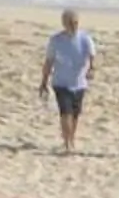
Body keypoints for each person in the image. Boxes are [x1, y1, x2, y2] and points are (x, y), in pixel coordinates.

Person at [38, 8, 96, 157]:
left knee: (75, 115)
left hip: (79, 84)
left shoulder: (85, 39)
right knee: (66, 113)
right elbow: (49, 62)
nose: (73, 25)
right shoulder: (56, 40)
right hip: (61, 83)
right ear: (64, 23)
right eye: (70, 22)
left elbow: (92, 57)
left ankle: (71, 138)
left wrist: (91, 69)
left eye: (75, 22)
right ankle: (67, 143)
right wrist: (44, 82)